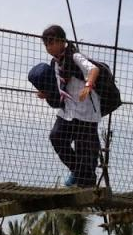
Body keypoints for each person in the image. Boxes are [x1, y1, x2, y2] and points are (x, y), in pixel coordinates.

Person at [38, 25, 101, 187]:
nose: (49, 47)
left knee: (85, 149)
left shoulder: (74, 57)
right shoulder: (56, 63)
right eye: (46, 45)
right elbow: (59, 87)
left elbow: (94, 69)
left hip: (85, 111)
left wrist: (88, 85)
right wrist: (47, 95)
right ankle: (78, 173)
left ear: (62, 41)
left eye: (51, 43)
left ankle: (86, 181)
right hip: (68, 110)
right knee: (56, 137)